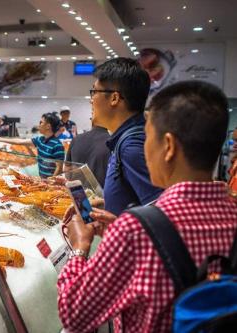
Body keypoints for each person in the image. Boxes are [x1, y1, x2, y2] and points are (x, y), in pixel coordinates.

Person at [57, 81, 237, 333]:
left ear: (169, 146)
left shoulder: (136, 230)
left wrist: (79, 248)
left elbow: (74, 315)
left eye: (147, 137)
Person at [91, 57, 162, 216]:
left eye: (94, 92)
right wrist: (107, 204)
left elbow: (162, 215)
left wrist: (118, 226)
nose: (91, 100)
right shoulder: (127, 139)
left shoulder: (131, 146)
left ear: (114, 98)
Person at [0, 112, 65, 178]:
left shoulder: (57, 145)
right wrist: (0, 139)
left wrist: (51, 182)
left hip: (52, 184)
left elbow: (59, 169)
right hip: (43, 179)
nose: (39, 125)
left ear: (48, 126)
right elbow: (19, 141)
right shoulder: (40, 140)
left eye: (41, 122)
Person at [65, 115, 110, 187]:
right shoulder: (112, 142)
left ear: (92, 121)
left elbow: (67, 168)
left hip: (78, 191)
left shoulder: (76, 139)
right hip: (99, 194)